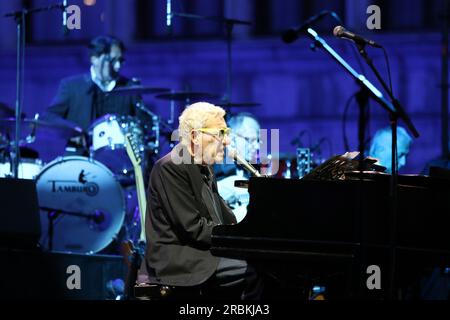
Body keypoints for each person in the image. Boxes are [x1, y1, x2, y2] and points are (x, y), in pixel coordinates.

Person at [144, 102, 262, 299]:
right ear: (194, 137)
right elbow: (193, 228)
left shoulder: (203, 167)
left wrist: (248, 231)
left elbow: (224, 217)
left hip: (204, 251)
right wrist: (233, 238)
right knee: (255, 271)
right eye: (220, 134)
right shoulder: (171, 167)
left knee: (269, 264)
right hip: (181, 259)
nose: (225, 142)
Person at [45, 35, 141, 155]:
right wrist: (72, 130)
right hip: (81, 159)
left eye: (120, 60)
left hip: (121, 161)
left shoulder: (129, 87)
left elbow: (143, 124)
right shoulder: (72, 86)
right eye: (112, 60)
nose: (117, 66)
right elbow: (49, 117)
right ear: (94, 58)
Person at [214, 113, 261, 222]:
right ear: (232, 139)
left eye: (258, 140)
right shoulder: (216, 163)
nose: (257, 146)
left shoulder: (249, 166)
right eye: (251, 139)